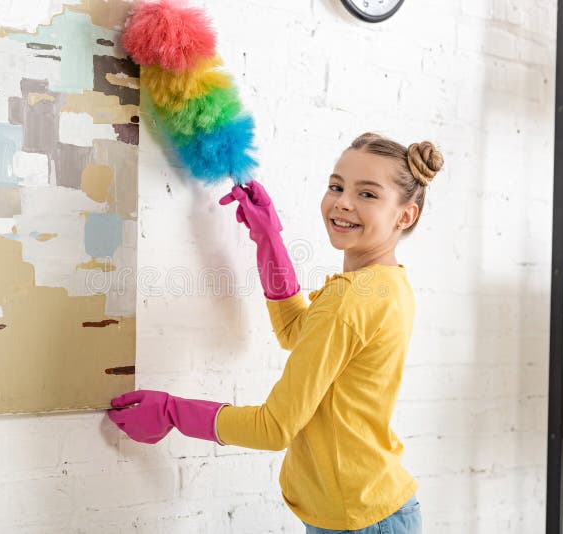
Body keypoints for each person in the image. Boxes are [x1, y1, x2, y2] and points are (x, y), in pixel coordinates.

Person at [107, 132, 444, 534]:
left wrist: (172, 412)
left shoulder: (352, 298)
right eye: (336, 186)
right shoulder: (387, 284)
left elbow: (274, 428)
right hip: (367, 508)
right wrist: (268, 239)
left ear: (405, 215)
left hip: (360, 519)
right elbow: (296, 331)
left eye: (368, 194)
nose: (343, 202)